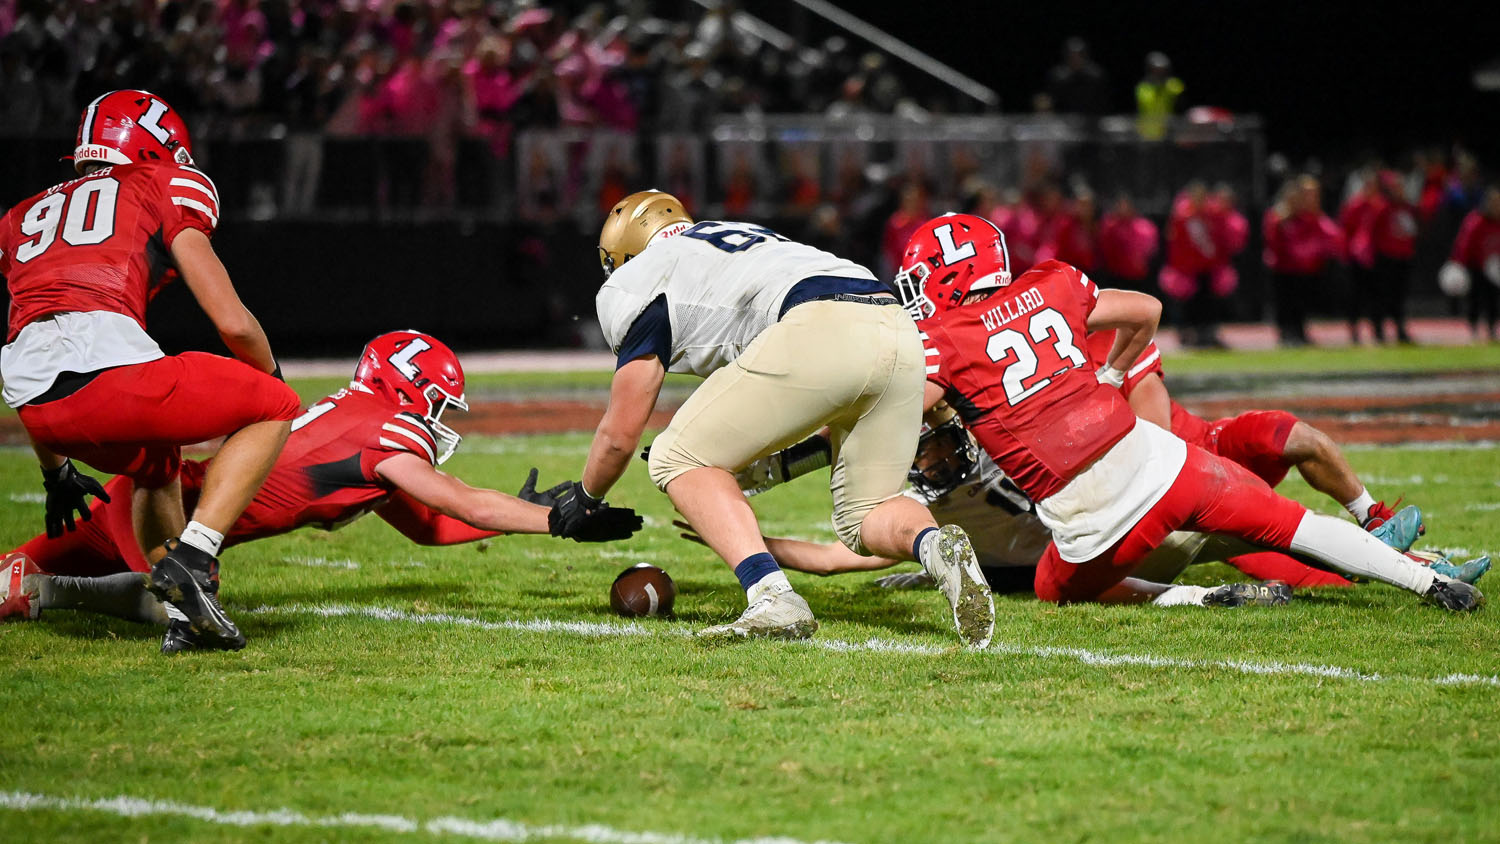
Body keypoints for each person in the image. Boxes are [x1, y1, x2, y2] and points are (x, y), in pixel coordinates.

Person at [893, 212, 1481, 610]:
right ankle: (1429, 581)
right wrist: (1111, 375)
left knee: (1051, 587)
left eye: (919, 279)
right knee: (1294, 524)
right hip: (1168, 464)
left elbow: (899, 414)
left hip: (1094, 519)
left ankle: (1192, 599)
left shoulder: (944, 338)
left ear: (952, 272)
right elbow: (1147, 309)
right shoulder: (1054, 282)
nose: (915, 292)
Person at [0, 331, 644, 650]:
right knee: (169, 602)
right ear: (407, 388)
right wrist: (559, 520)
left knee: (7, 581)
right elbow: (460, 501)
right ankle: (54, 595)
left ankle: (32, 589)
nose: (440, 419)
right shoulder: (383, 427)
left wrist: (520, 513)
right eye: (438, 403)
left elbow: (433, 525)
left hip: (148, 502)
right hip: (157, 514)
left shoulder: (359, 422)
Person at [558, 190, 994, 646]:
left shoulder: (639, 278)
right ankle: (934, 547)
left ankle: (772, 597)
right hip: (896, 326)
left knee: (675, 456)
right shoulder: (736, 237)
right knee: (865, 514)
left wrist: (586, 496)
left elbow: (620, 435)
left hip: (819, 325)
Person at [0, 90, 303, 652]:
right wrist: (271, 379)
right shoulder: (159, 184)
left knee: (157, 464)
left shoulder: (19, 216)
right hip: (108, 379)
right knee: (275, 405)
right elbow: (233, 323)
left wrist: (56, 473)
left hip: (41, 413)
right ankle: (193, 557)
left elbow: (32, 339)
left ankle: (185, 617)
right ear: (154, 146)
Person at [1262, 175, 1343, 346]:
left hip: (1304, 268)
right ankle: (1286, 333)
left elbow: (1328, 236)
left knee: (1301, 301)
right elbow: (1273, 241)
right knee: (1285, 301)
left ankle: (1299, 331)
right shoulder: (1279, 216)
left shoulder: (1309, 217)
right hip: (1283, 266)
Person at [1366, 170, 1418, 343]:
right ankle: (1378, 331)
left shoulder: (1407, 207)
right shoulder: (1380, 207)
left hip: (1403, 257)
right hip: (1385, 258)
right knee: (1381, 296)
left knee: (1399, 297)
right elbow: (1371, 232)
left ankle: (1400, 330)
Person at [1443, 185, 1500, 341]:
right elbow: (1464, 244)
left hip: (1494, 269)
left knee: (1493, 300)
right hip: (1476, 266)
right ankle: (1474, 328)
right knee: (1475, 299)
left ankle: (1492, 329)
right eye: (1494, 203)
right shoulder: (1476, 221)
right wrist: (1458, 264)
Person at [1097, 193, 1158, 292]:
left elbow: (1151, 250)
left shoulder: (1145, 227)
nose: (1123, 209)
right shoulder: (1110, 226)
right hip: (1116, 276)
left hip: (1138, 277)